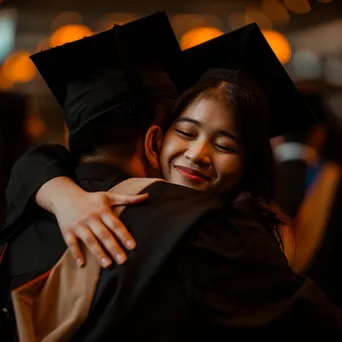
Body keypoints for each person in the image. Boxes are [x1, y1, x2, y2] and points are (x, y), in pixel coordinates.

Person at [2, 16, 342, 341]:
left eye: (225, 144)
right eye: (183, 131)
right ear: (155, 140)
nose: (196, 154)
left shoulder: (24, 207)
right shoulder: (209, 232)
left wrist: (57, 191)